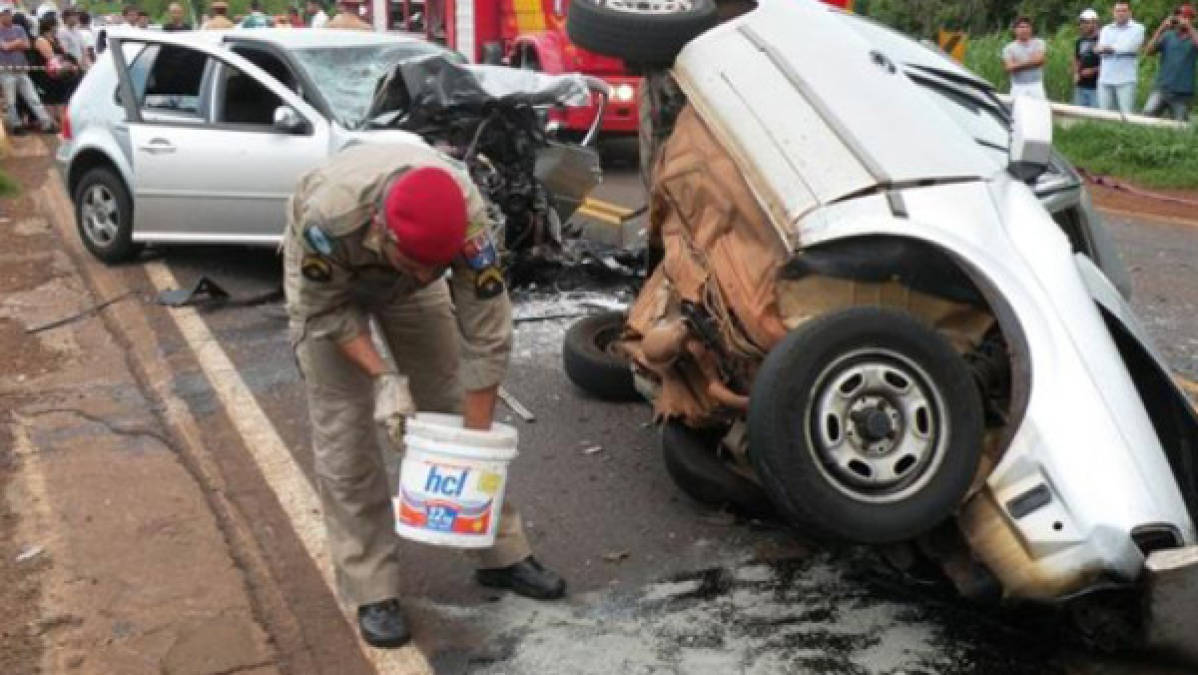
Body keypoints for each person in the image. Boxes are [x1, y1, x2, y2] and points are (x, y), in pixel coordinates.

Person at [284, 143, 566, 649]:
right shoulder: (329, 217)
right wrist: (384, 378)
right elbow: (326, 312)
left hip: (415, 261)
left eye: (432, 269)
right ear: (380, 228)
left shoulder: (464, 221)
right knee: (345, 437)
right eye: (413, 264)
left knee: (451, 398)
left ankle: (498, 553)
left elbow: (487, 334)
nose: (420, 277)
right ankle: (372, 586)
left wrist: (471, 447)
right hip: (336, 290)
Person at [0, 2, 55, 135]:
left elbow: (27, 45)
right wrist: (18, 43)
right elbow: (4, 47)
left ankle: (47, 123)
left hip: (21, 70)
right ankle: (16, 127)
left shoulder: (19, 28)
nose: (8, 16)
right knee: (11, 101)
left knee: (33, 97)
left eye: (9, 13)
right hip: (6, 71)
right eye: (5, 14)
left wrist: (12, 44)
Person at [1142, 4, 1198, 121]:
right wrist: (1161, 28)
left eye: (1187, 17)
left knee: (1180, 126)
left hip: (1182, 93)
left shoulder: (1194, 37)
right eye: (1181, 16)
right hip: (1162, 88)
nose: (1183, 20)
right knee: (1146, 118)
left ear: (1191, 19)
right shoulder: (1168, 35)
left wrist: (1190, 28)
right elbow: (1148, 51)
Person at [30, 12, 79, 125]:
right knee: (50, 99)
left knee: (59, 98)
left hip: (58, 74)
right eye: (55, 25)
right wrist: (64, 62)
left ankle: (60, 121)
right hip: (46, 75)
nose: (57, 27)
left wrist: (69, 62)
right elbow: (51, 57)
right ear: (50, 26)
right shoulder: (41, 40)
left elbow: (64, 53)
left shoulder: (55, 39)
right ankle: (52, 122)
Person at [1096, 1, 1146, 113]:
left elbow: (1129, 47)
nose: (1120, 13)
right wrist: (1111, 48)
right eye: (1118, 11)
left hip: (1125, 80)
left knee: (1126, 115)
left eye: (1124, 11)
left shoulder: (1138, 28)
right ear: (1113, 13)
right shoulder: (1106, 29)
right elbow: (1100, 49)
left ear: (1130, 13)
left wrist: (1109, 48)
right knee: (1104, 115)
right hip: (1105, 79)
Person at [1002, 17, 1047, 99]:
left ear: (1031, 29)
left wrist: (1017, 63)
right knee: (1017, 111)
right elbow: (1009, 67)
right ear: (1015, 30)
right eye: (1021, 27)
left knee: (1038, 110)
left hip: (1036, 85)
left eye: (1027, 27)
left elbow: (1039, 61)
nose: (1024, 30)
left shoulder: (1039, 43)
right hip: (1018, 87)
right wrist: (1031, 62)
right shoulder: (1009, 48)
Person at [1074, 8, 1102, 107]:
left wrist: (1093, 70)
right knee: (1078, 115)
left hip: (1097, 87)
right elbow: (1077, 59)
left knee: (1095, 117)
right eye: (1082, 23)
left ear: (1095, 23)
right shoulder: (1079, 41)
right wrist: (1076, 73)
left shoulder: (1103, 39)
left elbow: (1109, 64)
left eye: (1086, 22)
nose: (1082, 26)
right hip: (1080, 86)